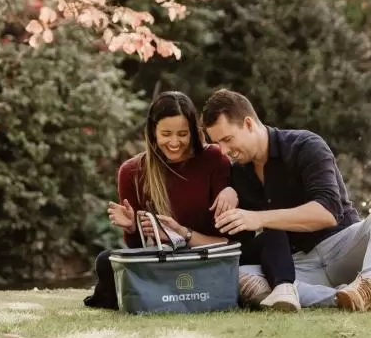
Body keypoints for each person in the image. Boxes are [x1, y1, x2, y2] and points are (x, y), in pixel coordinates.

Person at [83, 90, 301, 312]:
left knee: (273, 231)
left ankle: (282, 291)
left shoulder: (214, 159)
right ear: (152, 133)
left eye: (183, 133)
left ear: (194, 133)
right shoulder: (131, 171)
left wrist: (186, 233)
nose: (175, 142)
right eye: (166, 133)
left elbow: (232, 242)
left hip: (215, 255)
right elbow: (140, 251)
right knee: (106, 260)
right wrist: (133, 227)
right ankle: (234, 289)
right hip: (169, 261)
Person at [202, 88, 371, 312]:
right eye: (217, 143)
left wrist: (258, 218)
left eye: (228, 139)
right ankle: (343, 297)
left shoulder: (305, 146)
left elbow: (327, 212)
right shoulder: (239, 174)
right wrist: (228, 190)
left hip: (341, 248)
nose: (224, 150)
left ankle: (370, 283)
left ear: (249, 124)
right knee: (242, 276)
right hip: (299, 264)